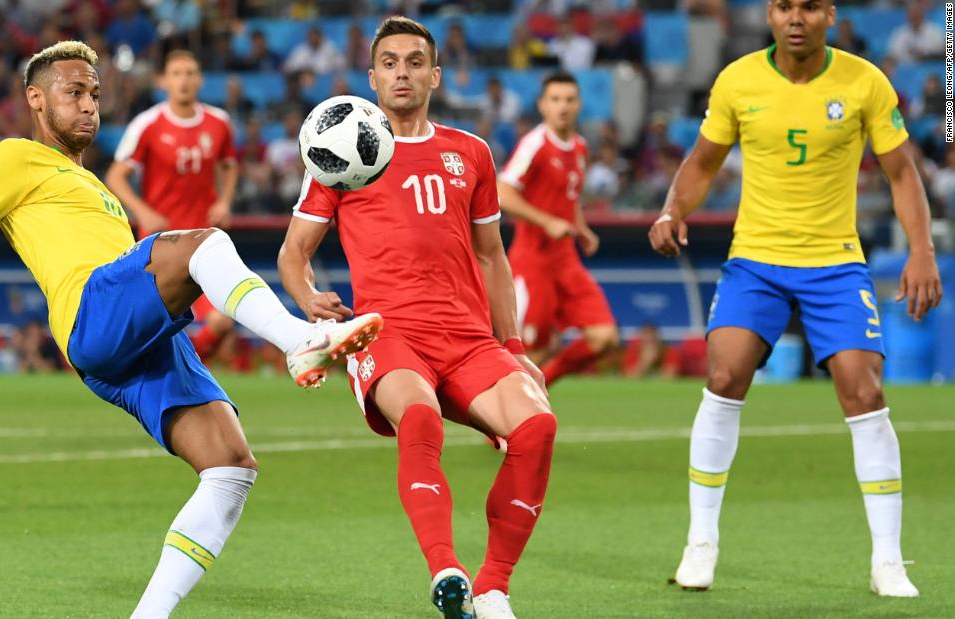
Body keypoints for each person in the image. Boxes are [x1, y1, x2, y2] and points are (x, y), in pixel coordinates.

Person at [0, 41, 383, 619]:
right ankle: (298, 340)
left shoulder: (99, 191)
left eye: (95, 95)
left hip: (135, 342)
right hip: (91, 309)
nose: (89, 106)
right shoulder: (13, 158)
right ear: (35, 99)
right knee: (206, 241)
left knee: (231, 468)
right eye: (73, 92)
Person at [648, 0, 943, 598]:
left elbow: (902, 172)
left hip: (835, 262)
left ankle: (888, 559)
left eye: (809, 5)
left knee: (865, 390)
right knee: (726, 374)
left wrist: (923, 251)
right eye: (785, 6)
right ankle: (700, 542)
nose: (796, 17)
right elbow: (703, 162)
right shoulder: (738, 79)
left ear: (829, 14)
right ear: (771, 14)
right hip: (755, 260)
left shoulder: (864, 81)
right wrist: (673, 208)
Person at [279, 17, 556, 619]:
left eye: (413, 62)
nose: (401, 72)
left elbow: (493, 258)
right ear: (372, 78)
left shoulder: (471, 152)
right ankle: (446, 572)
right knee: (421, 418)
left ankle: (493, 589)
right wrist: (308, 302)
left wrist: (512, 343)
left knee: (536, 427)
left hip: (468, 337)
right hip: (388, 333)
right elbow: (293, 254)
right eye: (389, 63)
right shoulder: (340, 152)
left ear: (435, 74)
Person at [106, 49, 239, 364]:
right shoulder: (148, 123)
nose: (184, 80)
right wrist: (143, 212)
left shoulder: (219, 122)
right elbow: (116, 175)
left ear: (200, 80)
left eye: (190, 73)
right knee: (148, 323)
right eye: (177, 73)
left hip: (203, 239)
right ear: (163, 81)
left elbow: (229, 165)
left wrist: (225, 201)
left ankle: (192, 364)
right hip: (159, 241)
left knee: (223, 318)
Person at [497, 72, 619, 386]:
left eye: (568, 99)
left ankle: (541, 387)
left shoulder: (579, 147)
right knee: (531, 352)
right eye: (555, 100)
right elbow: (502, 192)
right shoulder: (535, 144)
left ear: (578, 104)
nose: (562, 106)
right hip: (533, 259)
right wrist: (546, 221)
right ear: (542, 105)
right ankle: (506, 426)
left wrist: (582, 229)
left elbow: (569, 197)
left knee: (604, 337)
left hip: (566, 261)